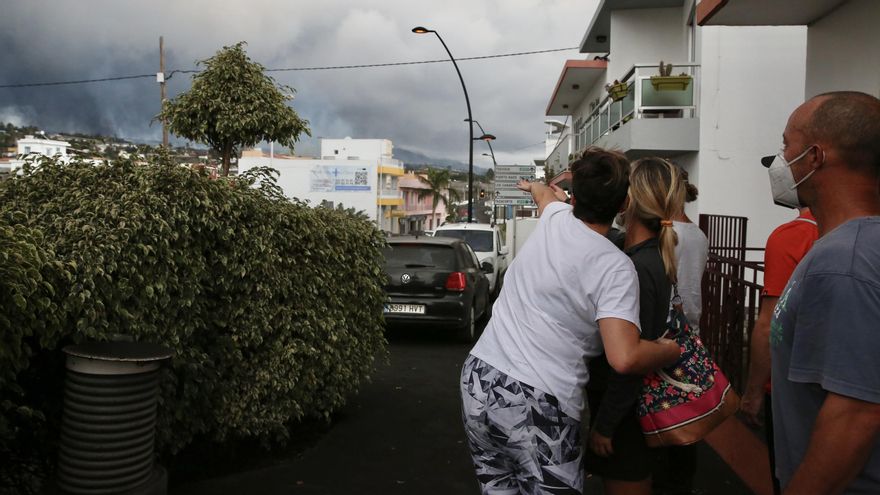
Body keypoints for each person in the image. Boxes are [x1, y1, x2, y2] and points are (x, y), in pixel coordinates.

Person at [460, 147, 681, 495]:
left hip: (479, 377)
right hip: (535, 396)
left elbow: (541, 192)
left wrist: (536, 184)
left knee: (499, 488)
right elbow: (624, 357)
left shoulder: (555, 217)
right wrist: (667, 351)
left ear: (575, 196)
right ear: (624, 205)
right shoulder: (616, 266)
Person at [767, 91, 880, 493]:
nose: (780, 160)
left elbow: (856, 413)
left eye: (786, 145)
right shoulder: (848, 248)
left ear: (814, 157)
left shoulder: (844, 263)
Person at [584, 157, 686, 495]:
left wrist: (605, 426)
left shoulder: (637, 268)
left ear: (629, 200)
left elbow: (629, 359)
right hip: (630, 408)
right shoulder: (648, 253)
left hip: (624, 414)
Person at [741, 206, 818, 494]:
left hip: (792, 387)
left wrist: (753, 391)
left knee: (792, 475)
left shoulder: (792, 235)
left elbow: (769, 323)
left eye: (785, 158)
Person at [650, 167, 708, 495]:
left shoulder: (667, 234)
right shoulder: (697, 234)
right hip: (691, 337)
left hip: (664, 338)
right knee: (685, 424)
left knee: (659, 422)